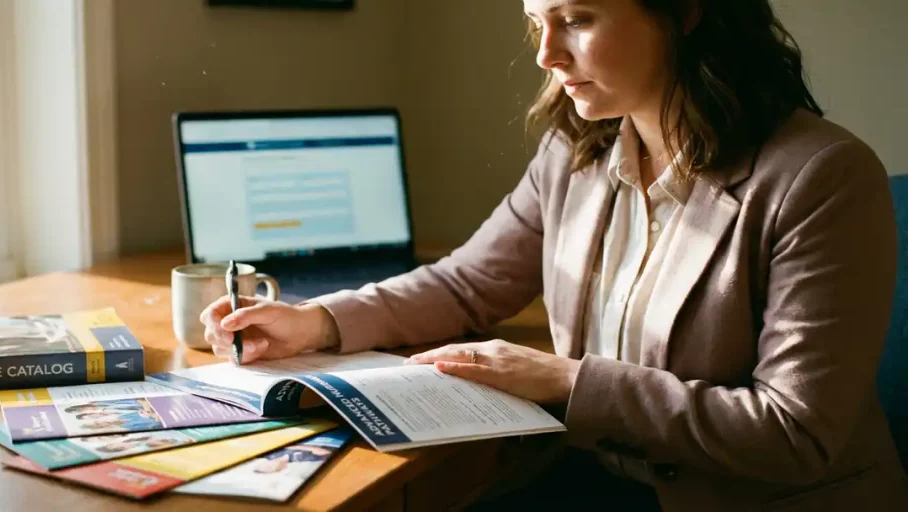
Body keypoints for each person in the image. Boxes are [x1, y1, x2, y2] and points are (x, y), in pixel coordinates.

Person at [200, 0, 907, 509]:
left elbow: (792, 434)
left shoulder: (822, 176)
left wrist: (567, 380)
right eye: (538, 23)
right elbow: (470, 284)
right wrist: (316, 322)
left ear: (686, 12)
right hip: (600, 475)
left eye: (577, 19)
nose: (547, 54)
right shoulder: (575, 151)